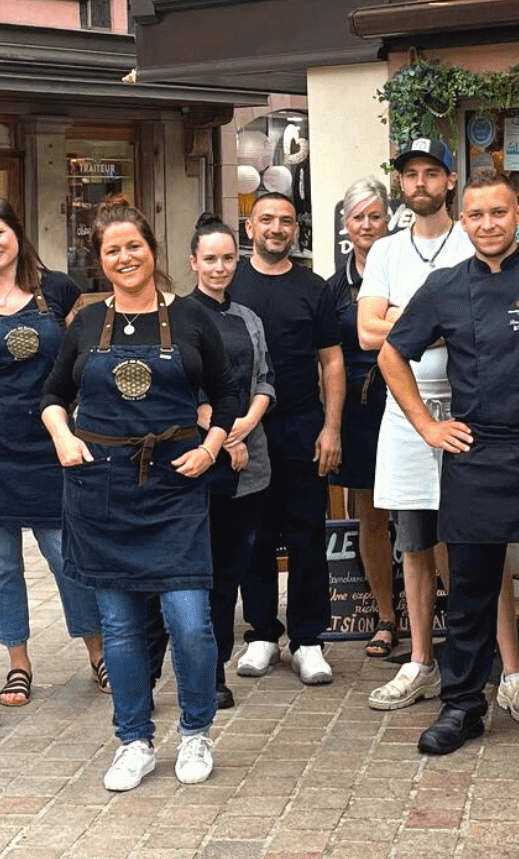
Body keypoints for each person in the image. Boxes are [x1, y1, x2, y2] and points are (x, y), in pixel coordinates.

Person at [380, 168, 519, 757]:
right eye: (476, 215)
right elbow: (390, 354)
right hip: (475, 457)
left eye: (499, 213)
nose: (488, 224)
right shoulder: (444, 286)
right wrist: (429, 426)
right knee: (471, 597)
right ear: (463, 220)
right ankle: (462, 707)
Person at [41, 204, 241, 792]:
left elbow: (227, 395)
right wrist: (62, 437)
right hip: (101, 489)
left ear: (152, 249)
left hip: (175, 487)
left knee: (191, 623)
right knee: (122, 628)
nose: (125, 258)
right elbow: (53, 394)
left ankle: (196, 732)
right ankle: (134, 740)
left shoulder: (193, 318)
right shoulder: (83, 322)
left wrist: (211, 447)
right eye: (112, 251)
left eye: (134, 246)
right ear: (100, 261)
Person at [359, 140, 519, 723]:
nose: (420, 182)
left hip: (477, 413)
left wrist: (422, 319)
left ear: (450, 182)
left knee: (483, 549)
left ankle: (511, 672)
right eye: (410, 174)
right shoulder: (387, 249)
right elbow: (370, 334)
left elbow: (500, 326)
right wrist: (442, 321)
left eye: (430, 173)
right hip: (409, 411)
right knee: (416, 543)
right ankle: (421, 660)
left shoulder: (480, 238)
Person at [0, 196, 102, 707]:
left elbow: (77, 363)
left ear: (17, 233)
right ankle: (18, 664)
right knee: (1, 565)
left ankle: (100, 654)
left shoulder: (59, 290)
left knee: (66, 556)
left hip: (48, 441)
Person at [226, 189, 339, 686]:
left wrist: (332, 426)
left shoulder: (315, 288)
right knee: (252, 536)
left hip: (301, 425)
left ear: (297, 229)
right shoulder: (230, 282)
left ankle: (309, 640)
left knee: (307, 534)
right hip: (245, 431)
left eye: (287, 221)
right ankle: (262, 635)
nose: (276, 228)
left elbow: (331, 361)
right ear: (249, 228)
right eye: (266, 219)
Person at [188, 213, 275, 712]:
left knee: (233, 568)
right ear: (193, 261)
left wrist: (244, 424)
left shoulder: (248, 318)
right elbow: (183, 387)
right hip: (203, 457)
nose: (220, 267)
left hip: (250, 454)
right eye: (210, 259)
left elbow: (265, 380)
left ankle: (219, 661)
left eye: (227, 258)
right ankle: (206, 670)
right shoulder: (178, 315)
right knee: (204, 572)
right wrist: (222, 433)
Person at [316, 177, 399, 659]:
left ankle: (443, 613)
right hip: (361, 410)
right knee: (371, 516)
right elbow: (328, 361)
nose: (367, 225)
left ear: (389, 220)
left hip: (412, 398)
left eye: (376, 216)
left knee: (424, 515)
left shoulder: (408, 270)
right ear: (346, 225)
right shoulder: (332, 288)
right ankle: (386, 618)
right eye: (358, 217)